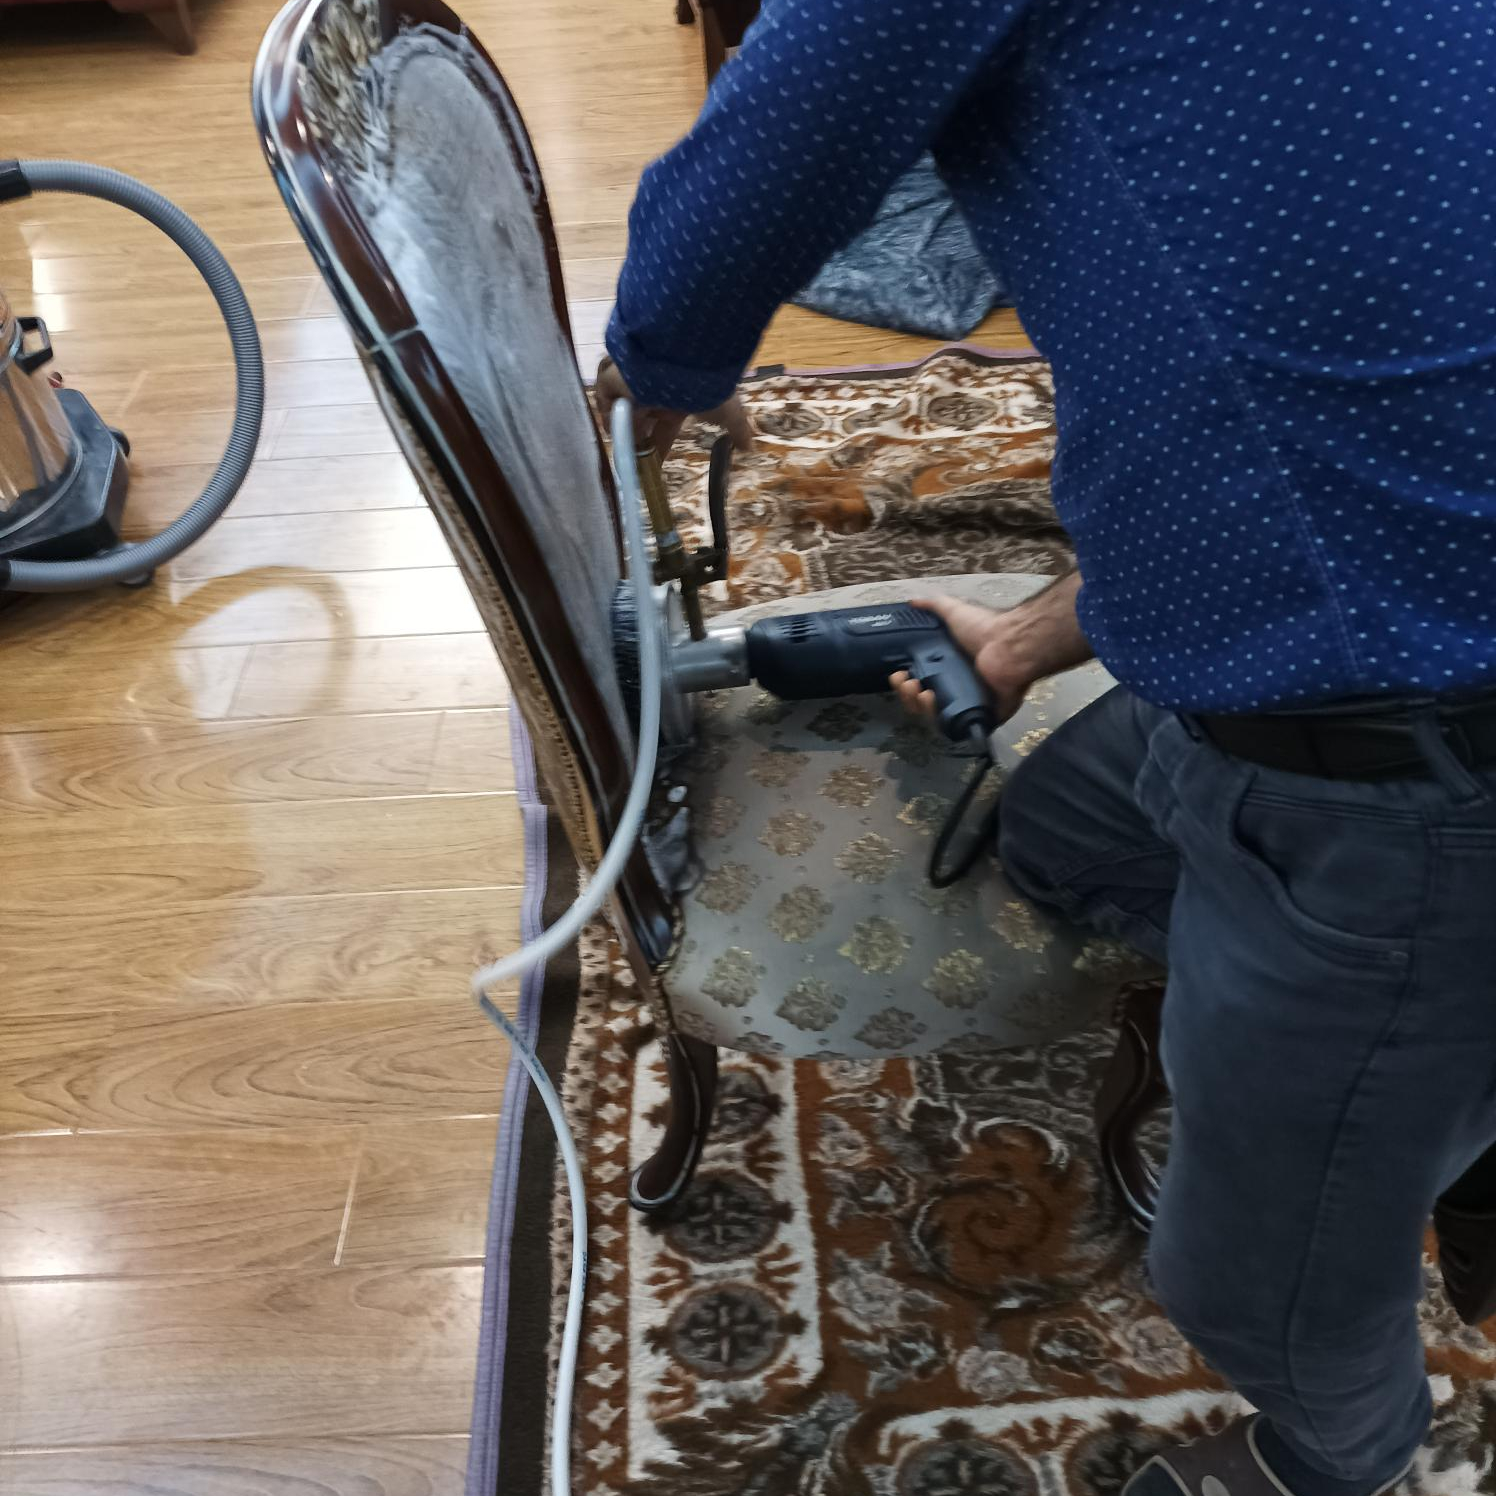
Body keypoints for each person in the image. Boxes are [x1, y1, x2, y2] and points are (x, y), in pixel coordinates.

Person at [595, 3, 1496, 1493]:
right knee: (1066, 830)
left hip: (1406, 785)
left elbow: (741, 192)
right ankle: (1425, 1074)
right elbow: (1314, 434)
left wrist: (652, 373)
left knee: (1248, 1277)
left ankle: (1338, 1453)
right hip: (1360, 669)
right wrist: (1024, 642)